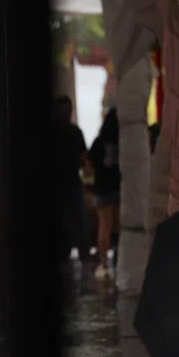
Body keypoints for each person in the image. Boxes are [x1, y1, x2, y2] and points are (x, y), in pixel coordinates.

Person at [52, 95, 90, 264]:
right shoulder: (71, 132)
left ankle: (80, 253)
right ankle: (72, 253)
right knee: (73, 219)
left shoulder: (74, 132)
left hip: (69, 182)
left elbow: (83, 156)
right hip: (62, 184)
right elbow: (83, 157)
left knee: (78, 218)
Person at [88, 108, 121, 282]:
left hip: (102, 189)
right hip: (119, 189)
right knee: (120, 228)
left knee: (104, 227)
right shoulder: (123, 140)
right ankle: (119, 261)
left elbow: (90, 162)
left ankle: (104, 264)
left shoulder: (98, 142)